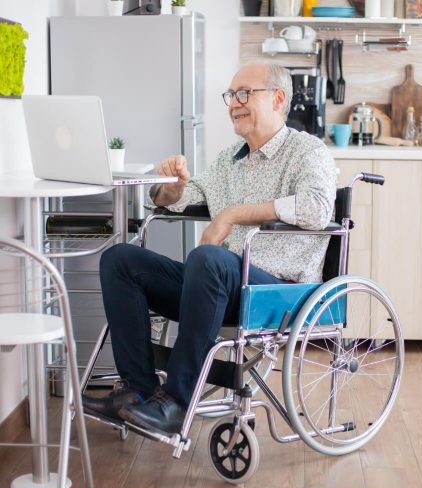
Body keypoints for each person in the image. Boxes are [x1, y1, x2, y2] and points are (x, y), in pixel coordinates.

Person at [83, 62, 337, 434]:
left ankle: (176, 403)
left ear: (278, 98)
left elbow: (316, 207)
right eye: (232, 95)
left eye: (245, 93)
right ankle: (138, 392)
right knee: (120, 260)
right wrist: (173, 183)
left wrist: (233, 214)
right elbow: (180, 200)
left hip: (277, 291)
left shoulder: (307, 151)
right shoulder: (229, 159)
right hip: (217, 283)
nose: (235, 103)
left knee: (208, 257)